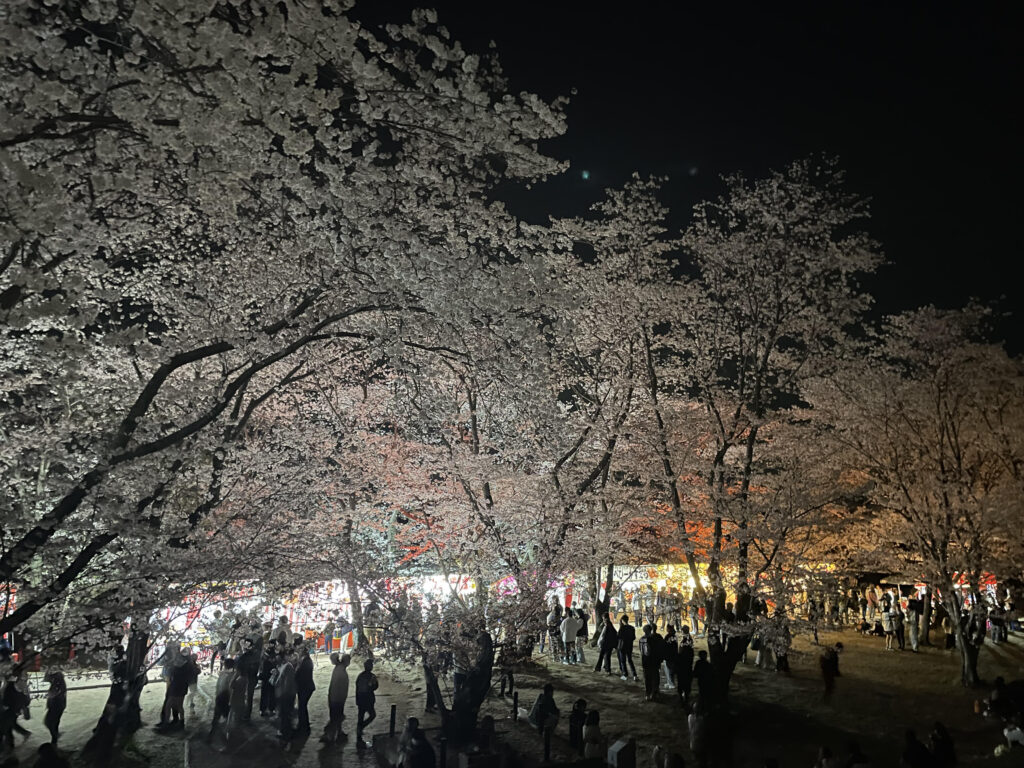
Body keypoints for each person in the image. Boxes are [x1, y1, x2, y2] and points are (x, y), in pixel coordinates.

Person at [321, 652, 350, 744]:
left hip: (335, 697)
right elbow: (338, 687)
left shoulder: (338, 669)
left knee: (336, 717)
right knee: (336, 717)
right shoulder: (341, 671)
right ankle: (329, 735)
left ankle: (337, 733)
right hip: (337, 698)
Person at [207, 657, 237, 742]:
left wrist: (229, 699)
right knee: (222, 716)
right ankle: (217, 734)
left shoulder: (228, 675)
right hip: (222, 698)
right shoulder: (227, 674)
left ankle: (217, 735)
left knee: (220, 716)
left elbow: (227, 688)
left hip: (224, 698)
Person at [274, 650, 297, 746]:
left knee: (286, 716)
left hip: (286, 695)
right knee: (283, 716)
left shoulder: (288, 667)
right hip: (283, 694)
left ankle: (286, 736)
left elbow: (287, 683)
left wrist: (283, 695)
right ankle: (285, 733)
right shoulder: (283, 666)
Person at [354, 658, 379, 745]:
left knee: (360, 716)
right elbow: (375, 687)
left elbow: (357, 687)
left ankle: (359, 731)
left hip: (361, 699)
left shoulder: (360, 676)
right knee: (372, 715)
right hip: (368, 699)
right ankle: (361, 727)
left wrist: (357, 699)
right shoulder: (372, 676)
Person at [638, 624, 664, 701]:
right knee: (655, 677)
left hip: (645, 661)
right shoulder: (652, 639)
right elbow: (656, 651)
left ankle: (648, 693)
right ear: (650, 630)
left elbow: (641, 650)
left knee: (647, 678)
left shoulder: (641, 639)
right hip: (653, 661)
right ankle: (654, 692)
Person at [295, 644, 316, 734]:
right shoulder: (305, 660)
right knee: (302, 707)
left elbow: (301, 675)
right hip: (305, 687)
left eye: (299, 650)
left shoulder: (306, 661)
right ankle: (304, 725)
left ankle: (303, 727)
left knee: (302, 707)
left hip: (305, 687)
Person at [43, 670, 66, 745]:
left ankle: (55, 738)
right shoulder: (58, 681)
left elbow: (52, 693)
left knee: (49, 722)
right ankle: (55, 739)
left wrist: (49, 696)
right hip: (59, 706)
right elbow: (47, 679)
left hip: (56, 706)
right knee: (54, 723)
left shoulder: (57, 683)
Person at [259, 639, 278, 717]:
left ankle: (263, 709)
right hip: (271, 675)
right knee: (271, 693)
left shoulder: (265, 653)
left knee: (265, 693)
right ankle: (271, 709)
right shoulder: (274, 654)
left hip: (266, 675)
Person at [617, 615, 638, 682]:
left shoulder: (622, 628)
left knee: (623, 661)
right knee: (630, 660)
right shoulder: (632, 628)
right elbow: (634, 637)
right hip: (629, 646)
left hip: (622, 646)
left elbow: (618, 636)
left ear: (622, 620)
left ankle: (625, 675)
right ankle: (634, 675)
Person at [677, 625, 695, 702]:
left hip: (684, 664)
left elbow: (682, 652)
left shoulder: (686, 641)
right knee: (687, 682)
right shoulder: (689, 639)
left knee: (682, 681)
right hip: (688, 664)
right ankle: (685, 695)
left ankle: (683, 696)